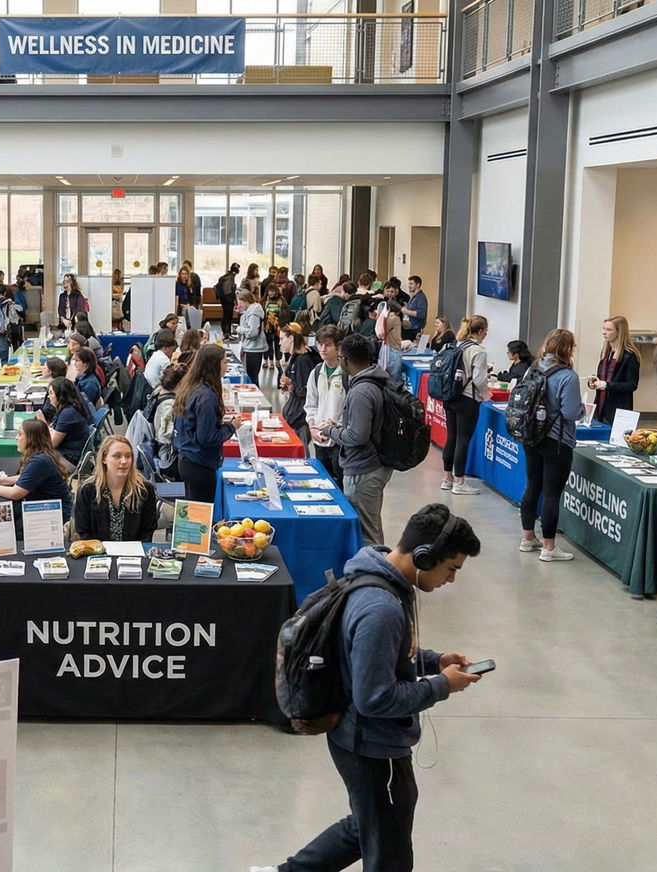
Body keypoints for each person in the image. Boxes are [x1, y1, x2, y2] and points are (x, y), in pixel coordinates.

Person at [254, 505, 483, 872]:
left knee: (366, 826)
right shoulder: (381, 607)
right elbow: (375, 697)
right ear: (425, 557)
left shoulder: (379, 579)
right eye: (451, 569)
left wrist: (431, 661)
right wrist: (442, 686)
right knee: (389, 854)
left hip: (358, 737)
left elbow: (373, 654)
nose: (451, 580)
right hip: (373, 745)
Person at [519, 329, 586, 563]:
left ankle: (528, 538)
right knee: (551, 493)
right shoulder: (568, 376)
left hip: (531, 437)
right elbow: (570, 412)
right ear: (569, 349)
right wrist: (583, 409)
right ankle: (549, 547)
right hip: (557, 441)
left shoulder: (533, 367)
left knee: (532, 487)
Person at [321, 335, 394, 545]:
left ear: (345, 360)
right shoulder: (376, 380)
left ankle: (372, 573)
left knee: (365, 532)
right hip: (374, 464)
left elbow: (357, 436)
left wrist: (331, 431)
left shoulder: (362, 391)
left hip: (364, 469)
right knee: (372, 524)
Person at [173, 345, 238, 502]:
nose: (226, 366)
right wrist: (231, 427)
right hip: (199, 465)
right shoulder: (206, 397)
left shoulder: (190, 387)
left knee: (194, 514)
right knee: (199, 517)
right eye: (224, 362)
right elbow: (207, 438)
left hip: (187, 459)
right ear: (214, 365)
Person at [73, 435, 158, 541]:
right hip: (98, 553)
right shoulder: (88, 490)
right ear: (104, 458)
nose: (124, 461)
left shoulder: (145, 490)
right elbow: (83, 531)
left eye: (128, 456)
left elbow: (147, 531)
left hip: (134, 553)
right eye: (117, 456)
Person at [441, 315, 489, 496]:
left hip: (450, 396)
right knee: (463, 439)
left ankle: (447, 478)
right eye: (485, 330)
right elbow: (479, 379)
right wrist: (485, 394)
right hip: (467, 398)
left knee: (451, 437)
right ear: (481, 331)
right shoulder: (478, 351)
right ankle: (459, 481)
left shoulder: (456, 344)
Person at [0, 418, 74, 521]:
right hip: (49, 509)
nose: (16, 438)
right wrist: (1, 480)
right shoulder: (42, 456)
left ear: (32, 438)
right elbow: (26, 477)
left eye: (20, 434)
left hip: (54, 517)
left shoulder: (39, 462)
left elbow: (15, 494)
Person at [304, 325, 348, 482]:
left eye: (328, 344)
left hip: (340, 442)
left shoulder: (347, 375)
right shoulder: (316, 372)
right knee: (323, 481)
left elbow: (352, 409)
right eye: (320, 344)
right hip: (319, 439)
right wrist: (312, 427)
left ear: (339, 348)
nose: (323, 348)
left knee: (340, 484)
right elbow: (310, 405)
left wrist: (336, 427)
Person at [590, 315, 640, 424]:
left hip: (618, 409)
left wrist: (606, 385)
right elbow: (603, 377)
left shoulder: (630, 356)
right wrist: (594, 382)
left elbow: (631, 385)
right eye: (603, 328)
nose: (604, 332)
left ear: (619, 332)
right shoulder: (606, 352)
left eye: (608, 329)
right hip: (601, 407)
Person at [279, 324, 320, 443]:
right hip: (293, 415)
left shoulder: (302, 360)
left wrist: (293, 388)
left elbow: (306, 391)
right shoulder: (295, 358)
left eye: (282, 339)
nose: (280, 343)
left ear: (291, 338)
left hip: (300, 420)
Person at [43, 377, 93, 468]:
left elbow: (52, 443)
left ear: (60, 395)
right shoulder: (68, 408)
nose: (48, 396)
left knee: (35, 450)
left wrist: (45, 427)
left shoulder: (68, 413)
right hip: (69, 453)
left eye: (50, 393)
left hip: (69, 459)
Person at [235, 290, 267, 384]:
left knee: (252, 378)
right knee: (252, 377)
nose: (239, 306)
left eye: (240, 303)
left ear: (245, 301)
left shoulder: (253, 314)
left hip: (253, 349)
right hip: (250, 348)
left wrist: (240, 329)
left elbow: (252, 332)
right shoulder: (250, 311)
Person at [216, 262, 240, 338]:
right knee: (228, 315)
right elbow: (228, 290)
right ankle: (227, 332)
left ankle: (227, 331)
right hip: (227, 299)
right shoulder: (230, 277)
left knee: (226, 315)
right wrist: (232, 298)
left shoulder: (227, 276)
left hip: (225, 299)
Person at [403, 275, 428, 342]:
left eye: (411, 284)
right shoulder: (414, 297)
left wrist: (406, 311)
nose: (409, 286)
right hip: (409, 328)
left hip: (415, 330)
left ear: (418, 285)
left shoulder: (420, 298)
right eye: (409, 284)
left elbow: (421, 314)